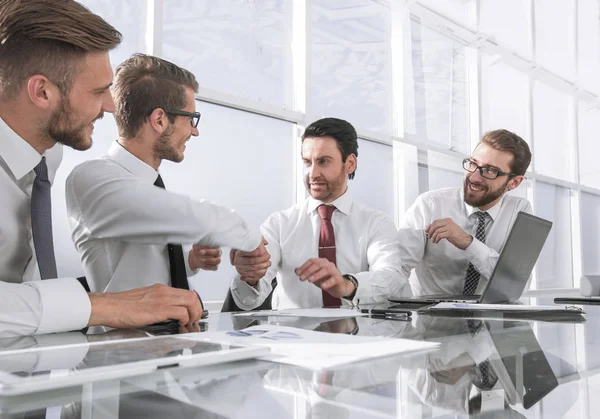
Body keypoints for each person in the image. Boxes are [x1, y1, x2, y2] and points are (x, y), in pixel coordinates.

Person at [0, 0, 202, 337]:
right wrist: (108, 306)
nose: (111, 106)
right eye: (98, 91)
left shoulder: (47, 157)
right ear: (42, 91)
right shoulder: (93, 177)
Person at [66, 53, 267, 295]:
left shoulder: (149, 186)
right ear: (159, 120)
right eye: (191, 119)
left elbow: (137, 266)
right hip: (125, 334)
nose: (194, 132)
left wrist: (190, 261)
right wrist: (252, 240)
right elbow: (200, 219)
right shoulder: (91, 178)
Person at [230, 117, 410, 310]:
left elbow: (392, 278)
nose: (313, 173)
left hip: (358, 337)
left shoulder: (376, 223)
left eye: (323, 162)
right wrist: (250, 277)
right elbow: (248, 302)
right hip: (293, 337)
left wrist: (347, 285)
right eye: (307, 162)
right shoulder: (278, 224)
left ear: (349, 163)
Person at [398, 129, 532, 296]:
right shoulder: (430, 205)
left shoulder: (519, 211)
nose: (474, 177)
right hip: (432, 318)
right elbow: (397, 268)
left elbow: (517, 284)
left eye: (490, 170)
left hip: (490, 320)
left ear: (514, 182)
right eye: (473, 163)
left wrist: (468, 242)